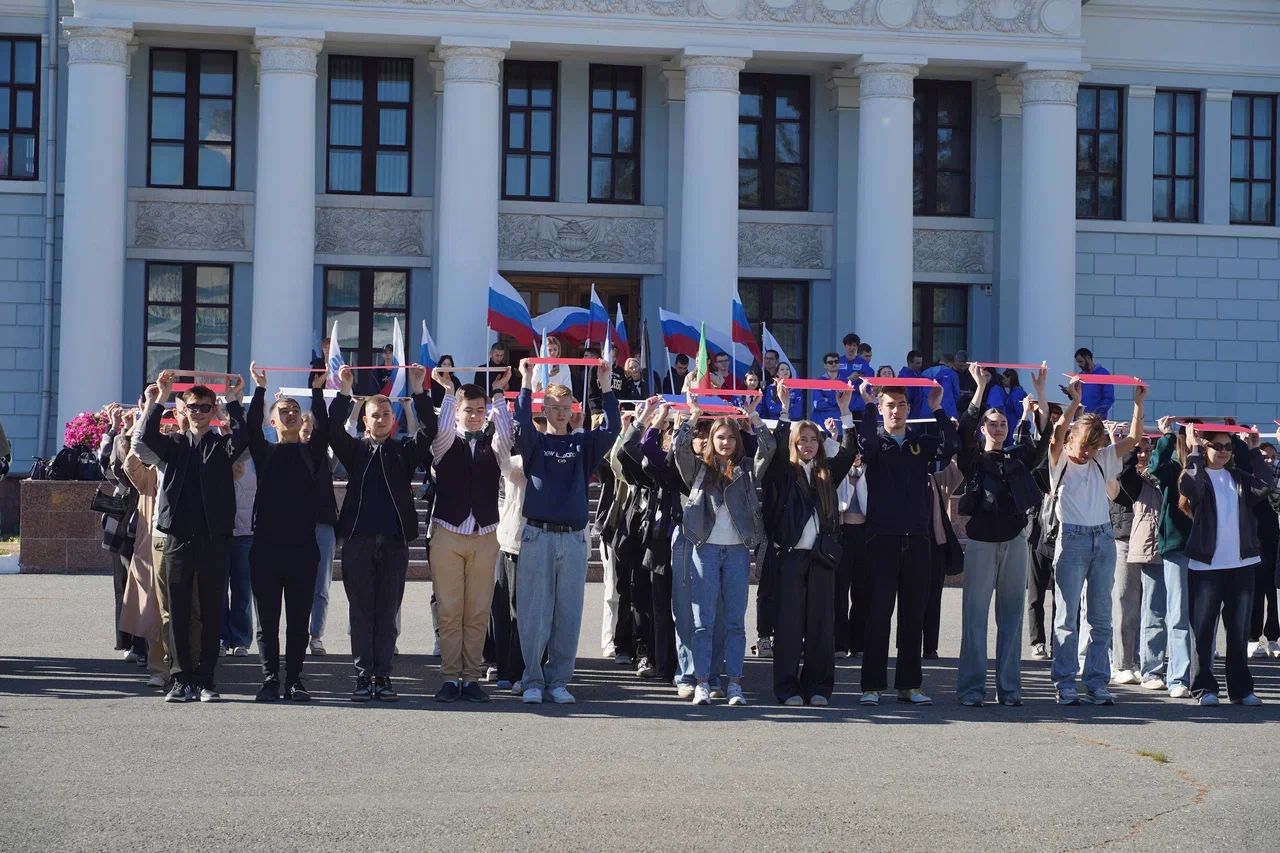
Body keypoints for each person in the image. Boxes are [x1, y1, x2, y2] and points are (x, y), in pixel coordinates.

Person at [328, 363, 437, 702]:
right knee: (361, 613)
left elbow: (429, 429)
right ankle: (363, 678)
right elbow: (332, 429)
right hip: (358, 543)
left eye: (386, 415)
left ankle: (384, 677)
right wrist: (345, 392)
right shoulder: (356, 451)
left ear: (393, 420)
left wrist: (420, 391)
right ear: (366, 420)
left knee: (387, 613)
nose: (381, 420)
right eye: (375, 415)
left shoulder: (403, 452)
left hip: (393, 544)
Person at [140, 371, 249, 703]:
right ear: (183, 410)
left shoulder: (222, 445)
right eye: (193, 407)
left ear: (212, 409)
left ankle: (206, 679)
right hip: (178, 538)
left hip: (214, 540)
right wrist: (160, 397)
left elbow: (245, 437)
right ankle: (181, 678)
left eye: (204, 407)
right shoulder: (173, 445)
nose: (199, 412)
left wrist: (232, 402)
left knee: (213, 609)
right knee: (178, 610)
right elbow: (145, 436)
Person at [515, 359, 619, 704]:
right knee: (534, 612)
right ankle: (532, 679)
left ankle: (558, 680)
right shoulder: (535, 444)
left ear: (573, 410)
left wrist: (606, 387)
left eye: (565, 408)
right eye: (553, 408)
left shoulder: (583, 446)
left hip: (573, 539)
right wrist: (527, 381)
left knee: (568, 612)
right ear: (543, 410)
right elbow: (521, 424)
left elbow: (612, 430)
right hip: (537, 536)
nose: (560, 413)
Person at [854, 377, 957, 706]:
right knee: (878, 614)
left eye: (901, 405)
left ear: (909, 408)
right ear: (882, 409)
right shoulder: (876, 443)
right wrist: (867, 403)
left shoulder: (920, 442)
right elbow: (864, 442)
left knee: (914, 614)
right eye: (889, 406)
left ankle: (910, 684)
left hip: (917, 539)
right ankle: (872, 685)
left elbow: (950, 446)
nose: (895, 411)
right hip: (880, 539)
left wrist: (938, 407)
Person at [955, 365, 1051, 707]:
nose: (998, 427)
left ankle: (1009, 690)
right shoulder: (974, 459)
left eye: (1002, 424)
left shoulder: (1018, 457)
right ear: (985, 429)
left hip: (1014, 540)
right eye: (992, 424)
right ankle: (971, 690)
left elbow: (1042, 441)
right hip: (981, 541)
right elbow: (964, 431)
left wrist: (1040, 393)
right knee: (974, 619)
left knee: (1011, 619)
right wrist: (980, 386)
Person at [1046, 377, 1145, 706]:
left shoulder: (1102, 459)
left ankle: (1098, 680)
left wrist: (1137, 404)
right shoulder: (1059, 459)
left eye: (1094, 444)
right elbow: (1056, 435)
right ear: (1073, 438)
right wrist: (1074, 402)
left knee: (1101, 617)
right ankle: (1064, 681)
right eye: (1084, 444)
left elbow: (1132, 439)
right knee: (1067, 615)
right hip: (1072, 538)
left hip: (1102, 538)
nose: (1088, 451)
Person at [673, 388, 775, 706]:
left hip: (736, 552)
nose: (725, 443)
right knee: (702, 621)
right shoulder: (699, 470)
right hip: (704, 549)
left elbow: (769, 447)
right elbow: (678, 449)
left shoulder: (743, 468)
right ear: (712, 439)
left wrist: (753, 415)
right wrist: (692, 414)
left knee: (734, 622)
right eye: (720, 437)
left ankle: (733, 684)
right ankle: (702, 681)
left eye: (730, 437)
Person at [764, 379, 857, 706]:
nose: (807, 444)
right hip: (791, 558)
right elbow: (775, 444)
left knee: (821, 628)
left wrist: (845, 411)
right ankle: (788, 689)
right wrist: (785, 408)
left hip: (822, 559)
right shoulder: (783, 471)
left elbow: (849, 452)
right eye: (801, 439)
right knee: (788, 628)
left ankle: (818, 688)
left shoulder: (828, 472)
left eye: (812, 439)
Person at [243, 364, 330, 702]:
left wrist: (319, 391)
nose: (291, 414)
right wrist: (261, 390)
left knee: (297, 621)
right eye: (284, 411)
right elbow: (250, 427)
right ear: (273, 422)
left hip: (302, 550)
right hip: (265, 548)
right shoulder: (265, 452)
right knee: (266, 620)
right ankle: (268, 679)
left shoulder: (311, 454)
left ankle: (294, 681)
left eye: (295, 410)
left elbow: (323, 427)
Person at [428, 372, 514, 703]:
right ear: (458, 412)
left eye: (480, 410)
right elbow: (443, 426)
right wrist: (449, 391)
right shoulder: (445, 441)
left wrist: (498, 395)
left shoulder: (494, 444)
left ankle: (472, 677)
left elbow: (506, 433)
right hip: (448, 533)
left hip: (485, 535)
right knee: (450, 610)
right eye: (469, 410)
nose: (475, 415)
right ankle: (451, 678)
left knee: (478, 611)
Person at [1178, 426, 1274, 706]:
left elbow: (1266, 485)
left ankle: (1241, 689)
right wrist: (1194, 449)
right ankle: (1204, 688)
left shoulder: (1239, 478)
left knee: (1239, 631)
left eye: (1228, 447)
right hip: (1206, 566)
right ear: (1205, 447)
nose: (1223, 452)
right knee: (1204, 631)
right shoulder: (1198, 475)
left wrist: (1254, 450)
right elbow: (1188, 486)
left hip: (1242, 564)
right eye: (1216, 446)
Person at [1145, 417, 1196, 698]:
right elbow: (1154, 470)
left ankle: (1198, 676)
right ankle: (1178, 679)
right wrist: (1166, 437)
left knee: (1201, 618)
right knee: (1177, 614)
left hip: (1209, 549)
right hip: (1177, 545)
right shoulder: (1173, 466)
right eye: (1191, 432)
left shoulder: (1211, 465)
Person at [1111, 434, 1163, 686]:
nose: (1143, 454)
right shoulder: (1125, 472)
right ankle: (1123, 663)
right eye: (1138, 450)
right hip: (1123, 540)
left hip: (1153, 542)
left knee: (1152, 607)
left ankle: (1149, 665)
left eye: (1147, 449)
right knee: (1124, 603)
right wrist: (1126, 448)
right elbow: (1123, 482)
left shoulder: (1157, 476)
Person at [221, 454, 256, 658]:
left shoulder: (254, 452)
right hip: (220, 532)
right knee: (218, 589)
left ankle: (241, 639)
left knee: (243, 588)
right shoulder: (216, 445)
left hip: (247, 531)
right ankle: (221, 637)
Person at [837, 334, 873, 413]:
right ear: (845, 346)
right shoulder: (838, 362)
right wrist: (848, 379)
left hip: (858, 407)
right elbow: (833, 382)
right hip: (840, 405)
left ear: (857, 347)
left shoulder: (863, 363)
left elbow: (868, 384)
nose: (851, 348)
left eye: (854, 345)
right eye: (849, 345)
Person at [1074, 347, 1114, 419]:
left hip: (1096, 419)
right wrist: (1070, 392)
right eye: (1078, 362)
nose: (1079, 365)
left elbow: (1109, 397)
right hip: (1080, 418)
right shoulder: (1080, 376)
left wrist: (1098, 413)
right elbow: (1077, 397)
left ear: (1088, 358)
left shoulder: (1103, 374)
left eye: (1080, 361)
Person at [811, 353, 844, 428]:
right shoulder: (819, 382)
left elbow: (848, 404)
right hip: (820, 423)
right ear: (825, 365)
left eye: (836, 361)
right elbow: (818, 404)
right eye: (830, 362)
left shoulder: (845, 382)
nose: (834, 364)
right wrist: (837, 400)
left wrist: (826, 399)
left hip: (838, 424)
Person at [897, 350, 928, 420]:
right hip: (909, 414)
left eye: (921, 363)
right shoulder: (904, 377)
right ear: (910, 362)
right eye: (917, 363)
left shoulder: (919, 375)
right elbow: (906, 397)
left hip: (918, 413)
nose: (920, 365)